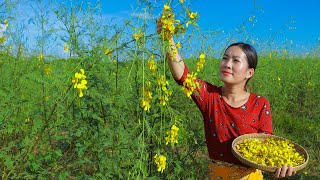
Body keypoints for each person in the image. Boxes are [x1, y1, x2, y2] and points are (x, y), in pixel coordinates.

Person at [156, 20, 297, 179]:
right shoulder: (209, 96)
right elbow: (182, 76)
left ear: (249, 73)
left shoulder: (260, 103)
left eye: (236, 60)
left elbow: (267, 147)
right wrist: (169, 39)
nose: (227, 64)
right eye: (225, 58)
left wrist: (280, 166)